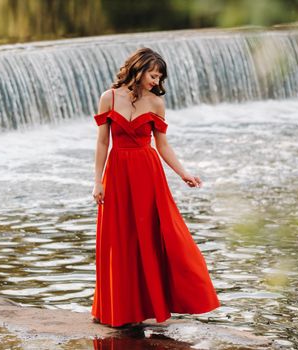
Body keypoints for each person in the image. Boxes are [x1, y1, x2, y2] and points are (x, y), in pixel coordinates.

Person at [91, 47, 220, 327]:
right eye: (153, 75)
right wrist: (97, 181)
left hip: (148, 175)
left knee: (156, 237)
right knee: (120, 240)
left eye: (159, 77)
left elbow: (162, 145)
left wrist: (183, 173)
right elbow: (102, 143)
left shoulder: (155, 103)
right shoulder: (108, 98)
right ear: (138, 69)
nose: (156, 81)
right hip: (117, 174)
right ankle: (119, 309)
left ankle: (161, 303)